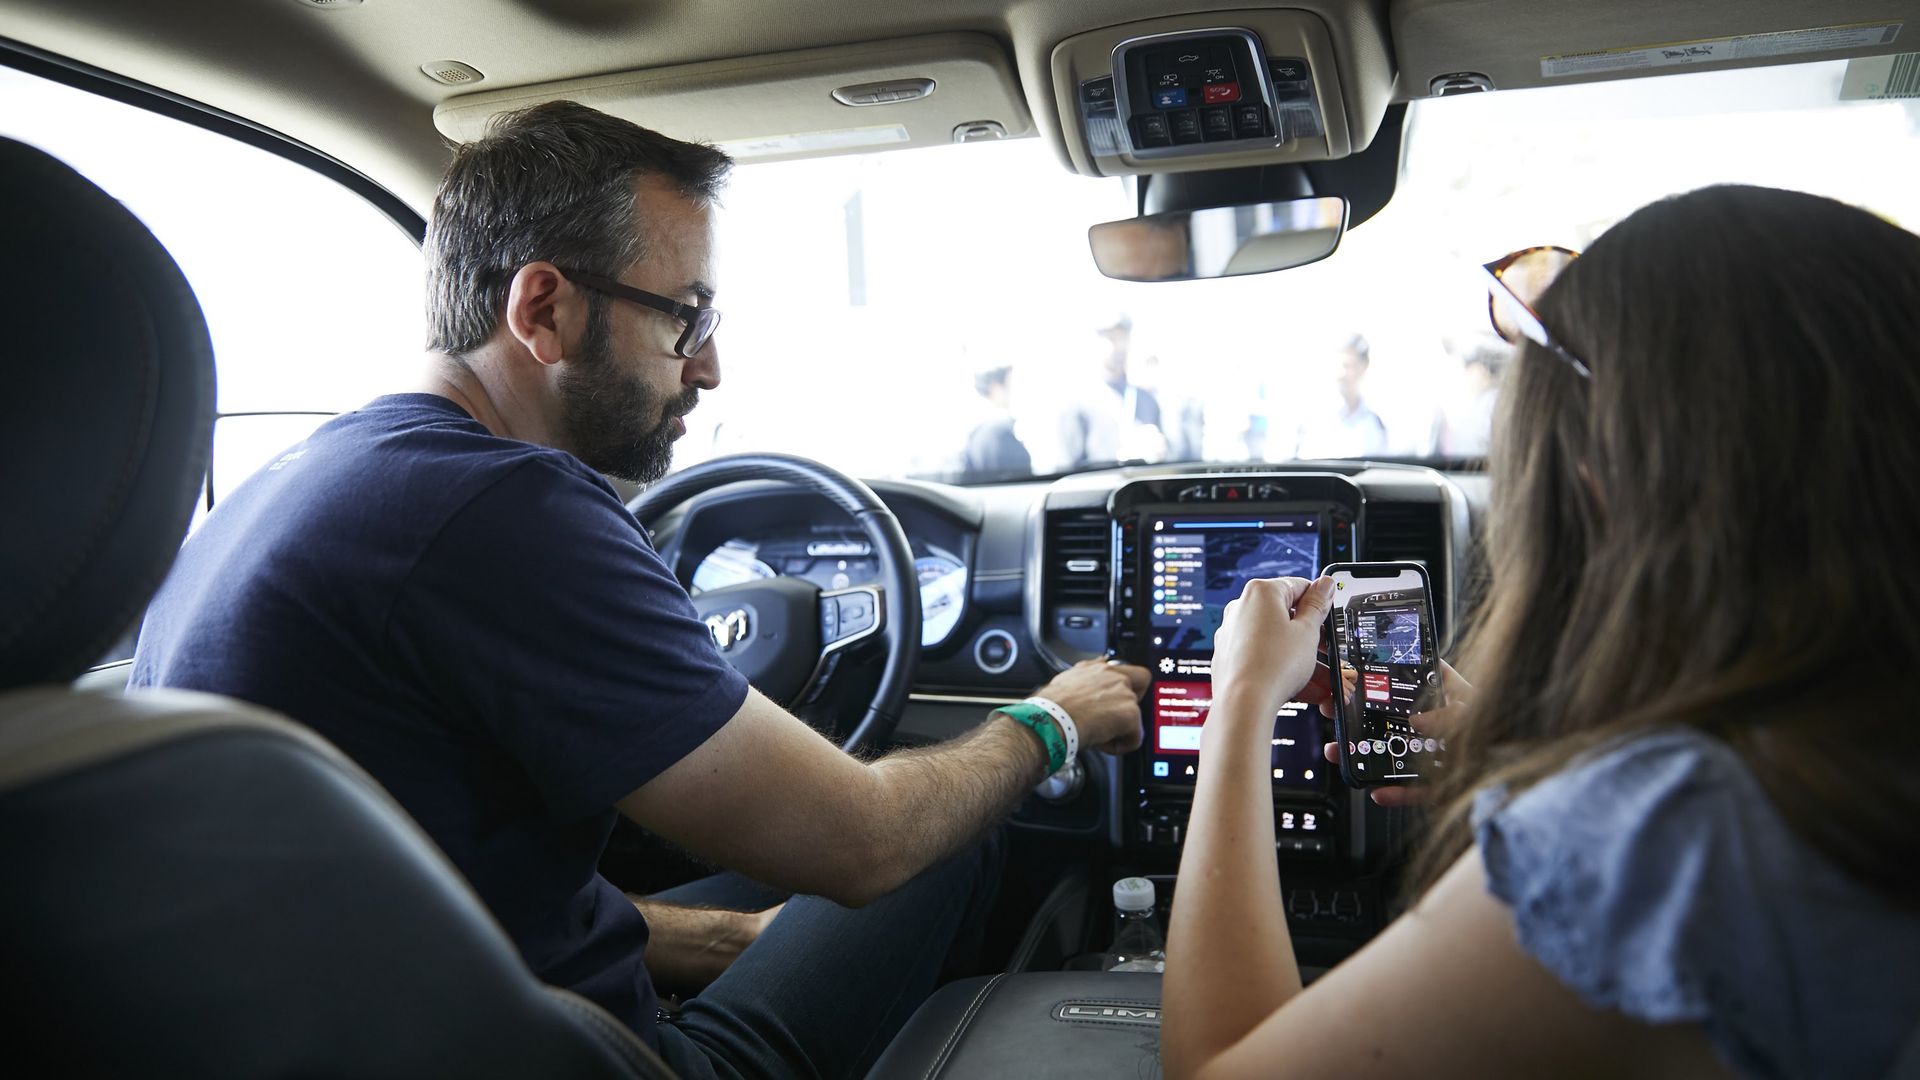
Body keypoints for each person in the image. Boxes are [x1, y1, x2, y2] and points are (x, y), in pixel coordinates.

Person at [129, 100, 1150, 1079]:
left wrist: (721, 938)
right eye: (686, 317)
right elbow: (861, 840)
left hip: (374, 1025)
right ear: (542, 308)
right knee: (947, 830)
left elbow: (429, 886)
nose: (707, 368)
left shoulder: (312, 476)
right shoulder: (510, 508)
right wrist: (1052, 718)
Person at [1160, 185, 1920, 1078]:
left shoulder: (1672, 832)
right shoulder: (1840, 757)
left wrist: (1240, 705)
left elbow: (1212, 1068)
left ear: (1599, 478)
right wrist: (1533, 764)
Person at [1055, 315, 1167, 466]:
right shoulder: (1077, 403)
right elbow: (1066, 466)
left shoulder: (1146, 401)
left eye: (1123, 338)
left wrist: (1158, 452)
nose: (1119, 347)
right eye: (1111, 339)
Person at [1290, 333, 1388, 458]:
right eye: (1340, 364)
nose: (1342, 373)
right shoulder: (1312, 418)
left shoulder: (1375, 423)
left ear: (1364, 366)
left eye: (1349, 365)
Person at [960, 364, 1032, 480]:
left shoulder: (977, 433)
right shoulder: (999, 434)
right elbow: (1019, 481)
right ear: (996, 388)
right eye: (1012, 385)